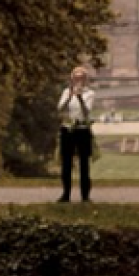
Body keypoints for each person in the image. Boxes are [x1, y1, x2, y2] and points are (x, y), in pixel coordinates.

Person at [57, 65, 96, 203]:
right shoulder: (66, 92)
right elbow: (60, 108)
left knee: (84, 164)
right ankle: (65, 194)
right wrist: (69, 96)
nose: (78, 81)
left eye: (81, 78)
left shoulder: (89, 94)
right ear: (72, 79)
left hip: (82, 129)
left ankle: (85, 195)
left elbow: (86, 112)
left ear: (85, 80)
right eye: (76, 78)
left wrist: (79, 98)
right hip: (68, 129)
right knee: (66, 163)